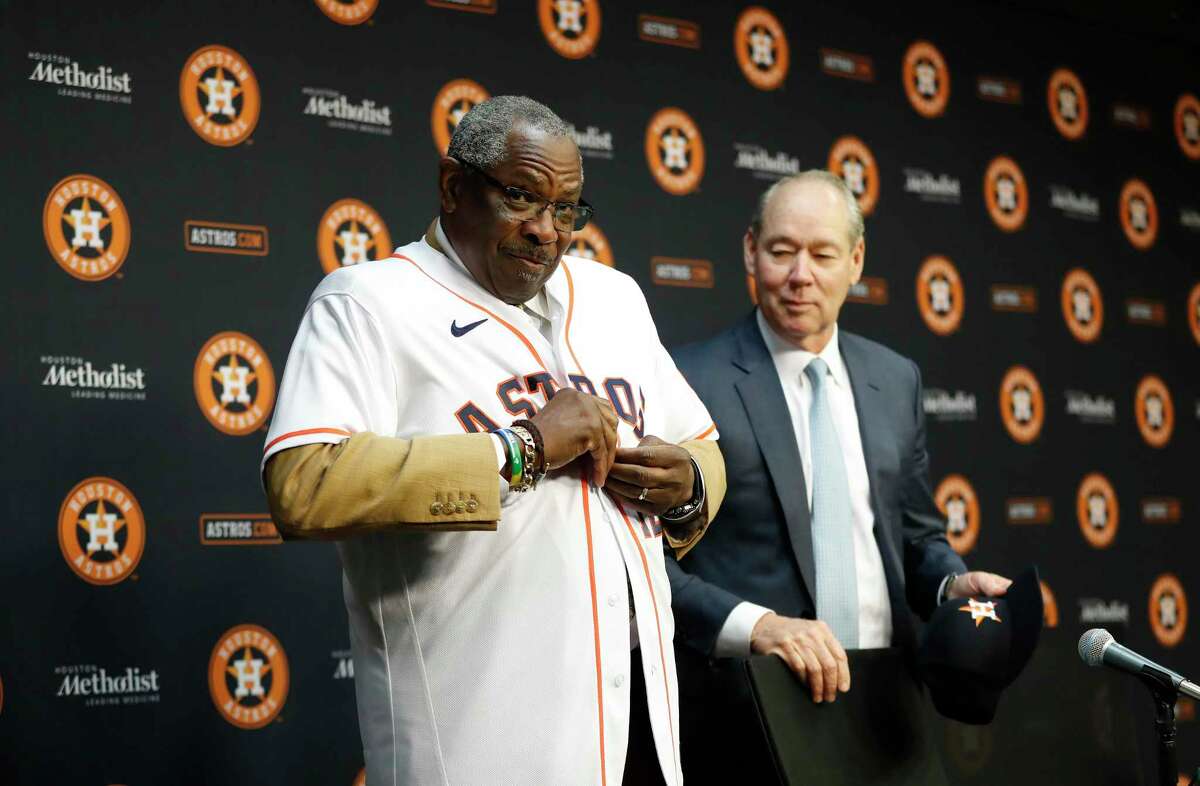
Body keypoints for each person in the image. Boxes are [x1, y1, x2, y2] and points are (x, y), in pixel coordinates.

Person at [262, 96, 724, 786]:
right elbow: (304, 484)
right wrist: (522, 451)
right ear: (454, 188)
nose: (546, 232)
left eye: (566, 210)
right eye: (520, 198)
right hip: (476, 739)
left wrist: (685, 486)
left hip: (639, 728)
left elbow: (704, 451)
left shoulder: (615, 297)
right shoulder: (368, 301)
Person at [665, 170, 1010, 782]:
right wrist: (757, 628)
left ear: (855, 261)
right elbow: (648, 565)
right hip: (751, 713)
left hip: (888, 712)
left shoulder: (894, 378)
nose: (801, 275)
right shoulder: (685, 381)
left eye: (823, 254)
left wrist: (950, 587)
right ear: (750, 251)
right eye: (781, 251)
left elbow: (916, 536)